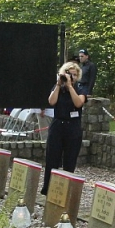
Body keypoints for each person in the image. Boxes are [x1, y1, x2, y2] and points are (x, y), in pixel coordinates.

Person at [40, 61, 88, 195]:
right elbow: (51, 101)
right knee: (52, 158)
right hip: (58, 125)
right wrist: (58, 85)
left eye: (73, 75)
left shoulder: (80, 88)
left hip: (73, 127)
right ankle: (48, 188)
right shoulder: (58, 87)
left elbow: (78, 103)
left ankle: (66, 189)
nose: (71, 77)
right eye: (68, 74)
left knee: (70, 159)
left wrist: (70, 86)